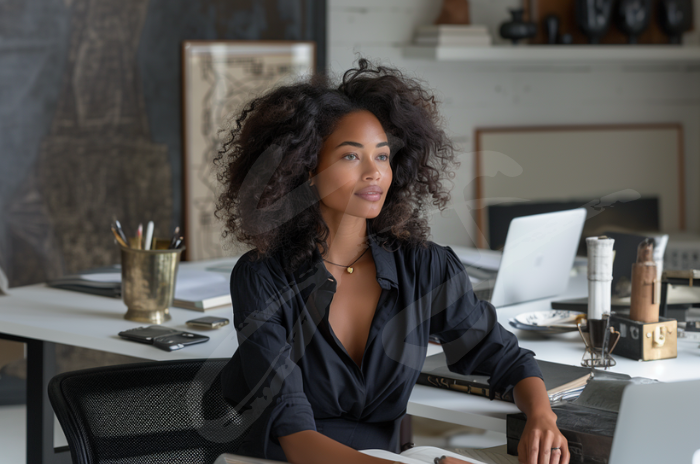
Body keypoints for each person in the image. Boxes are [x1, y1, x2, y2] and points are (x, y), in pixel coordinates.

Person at [215, 59, 569, 464]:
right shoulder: (261, 276)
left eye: (382, 157)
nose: (374, 174)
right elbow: (296, 440)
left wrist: (542, 415)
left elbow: (505, 357)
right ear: (306, 169)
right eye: (352, 157)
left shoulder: (425, 267)